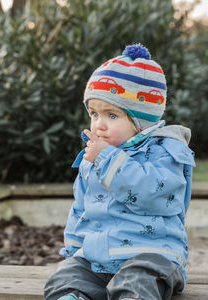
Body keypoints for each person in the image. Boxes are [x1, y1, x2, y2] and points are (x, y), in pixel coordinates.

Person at [44, 44, 195, 300]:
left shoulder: (166, 151)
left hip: (151, 254)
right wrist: (75, 248)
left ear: (140, 122)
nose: (99, 124)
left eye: (112, 115)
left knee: (136, 284)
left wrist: (107, 157)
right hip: (98, 256)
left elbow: (151, 193)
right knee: (65, 278)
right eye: (94, 113)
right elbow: (81, 208)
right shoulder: (93, 157)